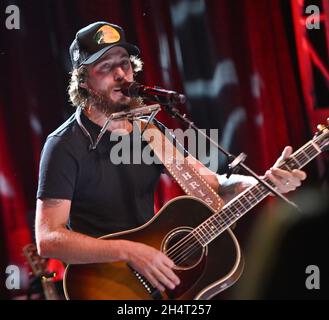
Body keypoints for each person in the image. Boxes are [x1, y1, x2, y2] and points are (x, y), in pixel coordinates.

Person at [35, 21, 307, 294]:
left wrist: (265, 182)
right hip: (104, 284)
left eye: (125, 64)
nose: (120, 74)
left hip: (156, 280)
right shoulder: (64, 144)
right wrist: (129, 252)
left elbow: (211, 186)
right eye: (105, 67)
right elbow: (48, 239)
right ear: (83, 81)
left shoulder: (148, 131)